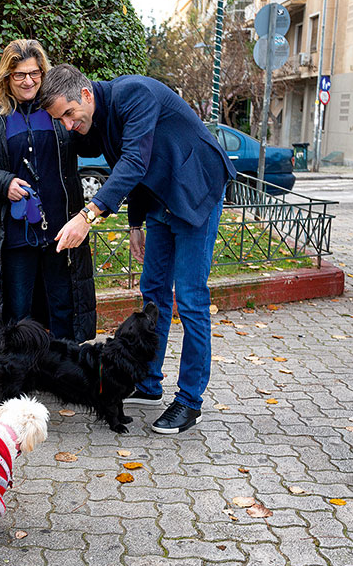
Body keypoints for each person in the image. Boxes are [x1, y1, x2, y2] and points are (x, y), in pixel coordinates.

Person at [38, 64, 236, 435]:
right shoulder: (99, 118)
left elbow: (134, 162)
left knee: (190, 298)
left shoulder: (135, 94)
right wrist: (135, 225)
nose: (67, 124)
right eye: (59, 119)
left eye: (67, 113)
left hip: (197, 189)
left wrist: (88, 215)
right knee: (153, 293)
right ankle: (148, 383)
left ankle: (190, 401)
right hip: (161, 200)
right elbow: (134, 169)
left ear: (85, 95)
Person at [0, 41, 95, 355]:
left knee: (62, 306)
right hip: (14, 233)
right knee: (18, 311)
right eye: (19, 74)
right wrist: (3, 182)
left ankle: (64, 372)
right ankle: (17, 375)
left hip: (61, 231)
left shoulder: (58, 109)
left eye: (35, 73)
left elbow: (88, 137)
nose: (28, 81)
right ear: (7, 77)